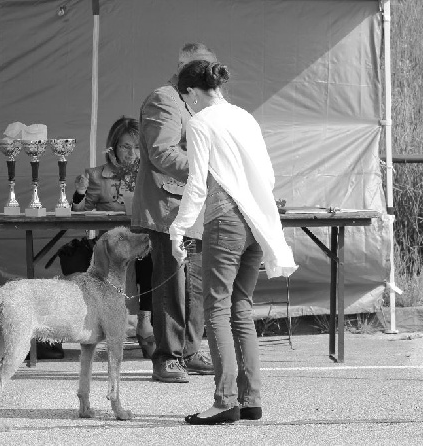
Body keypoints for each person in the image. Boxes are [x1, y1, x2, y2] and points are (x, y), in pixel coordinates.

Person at [169, 60, 298, 424]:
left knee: (217, 309)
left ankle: (225, 401)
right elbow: (268, 174)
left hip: (225, 221)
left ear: (193, 91)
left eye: (184, 98)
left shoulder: (200, 123)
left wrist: (178, 229)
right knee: (240, 306)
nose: (186, 106)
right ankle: (251, 398)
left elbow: (196, 185)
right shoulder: (244, 116)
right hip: (258, 221)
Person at [132, 43, 217, 382]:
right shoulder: (164, 98)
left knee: (196, 283)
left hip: (196, 206)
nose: (208, 75)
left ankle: (191, 351)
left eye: (211, 68)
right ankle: (166, 357)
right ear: (183, 66)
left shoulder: (203, 102)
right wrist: (209, 172)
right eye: (200, 67)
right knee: (171, 282)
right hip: (168, 207)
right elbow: (161, 153)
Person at [72, 116, 155, 359]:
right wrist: (79, 192)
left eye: (138, 147)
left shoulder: (150, 174)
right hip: (111, 243)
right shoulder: (96, 175)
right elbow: (78, 211)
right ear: (113, 148)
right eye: (125, 146)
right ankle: (103, 325)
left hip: (141, 239)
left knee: (150, 256)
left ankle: (145, 323)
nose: (132, 153)